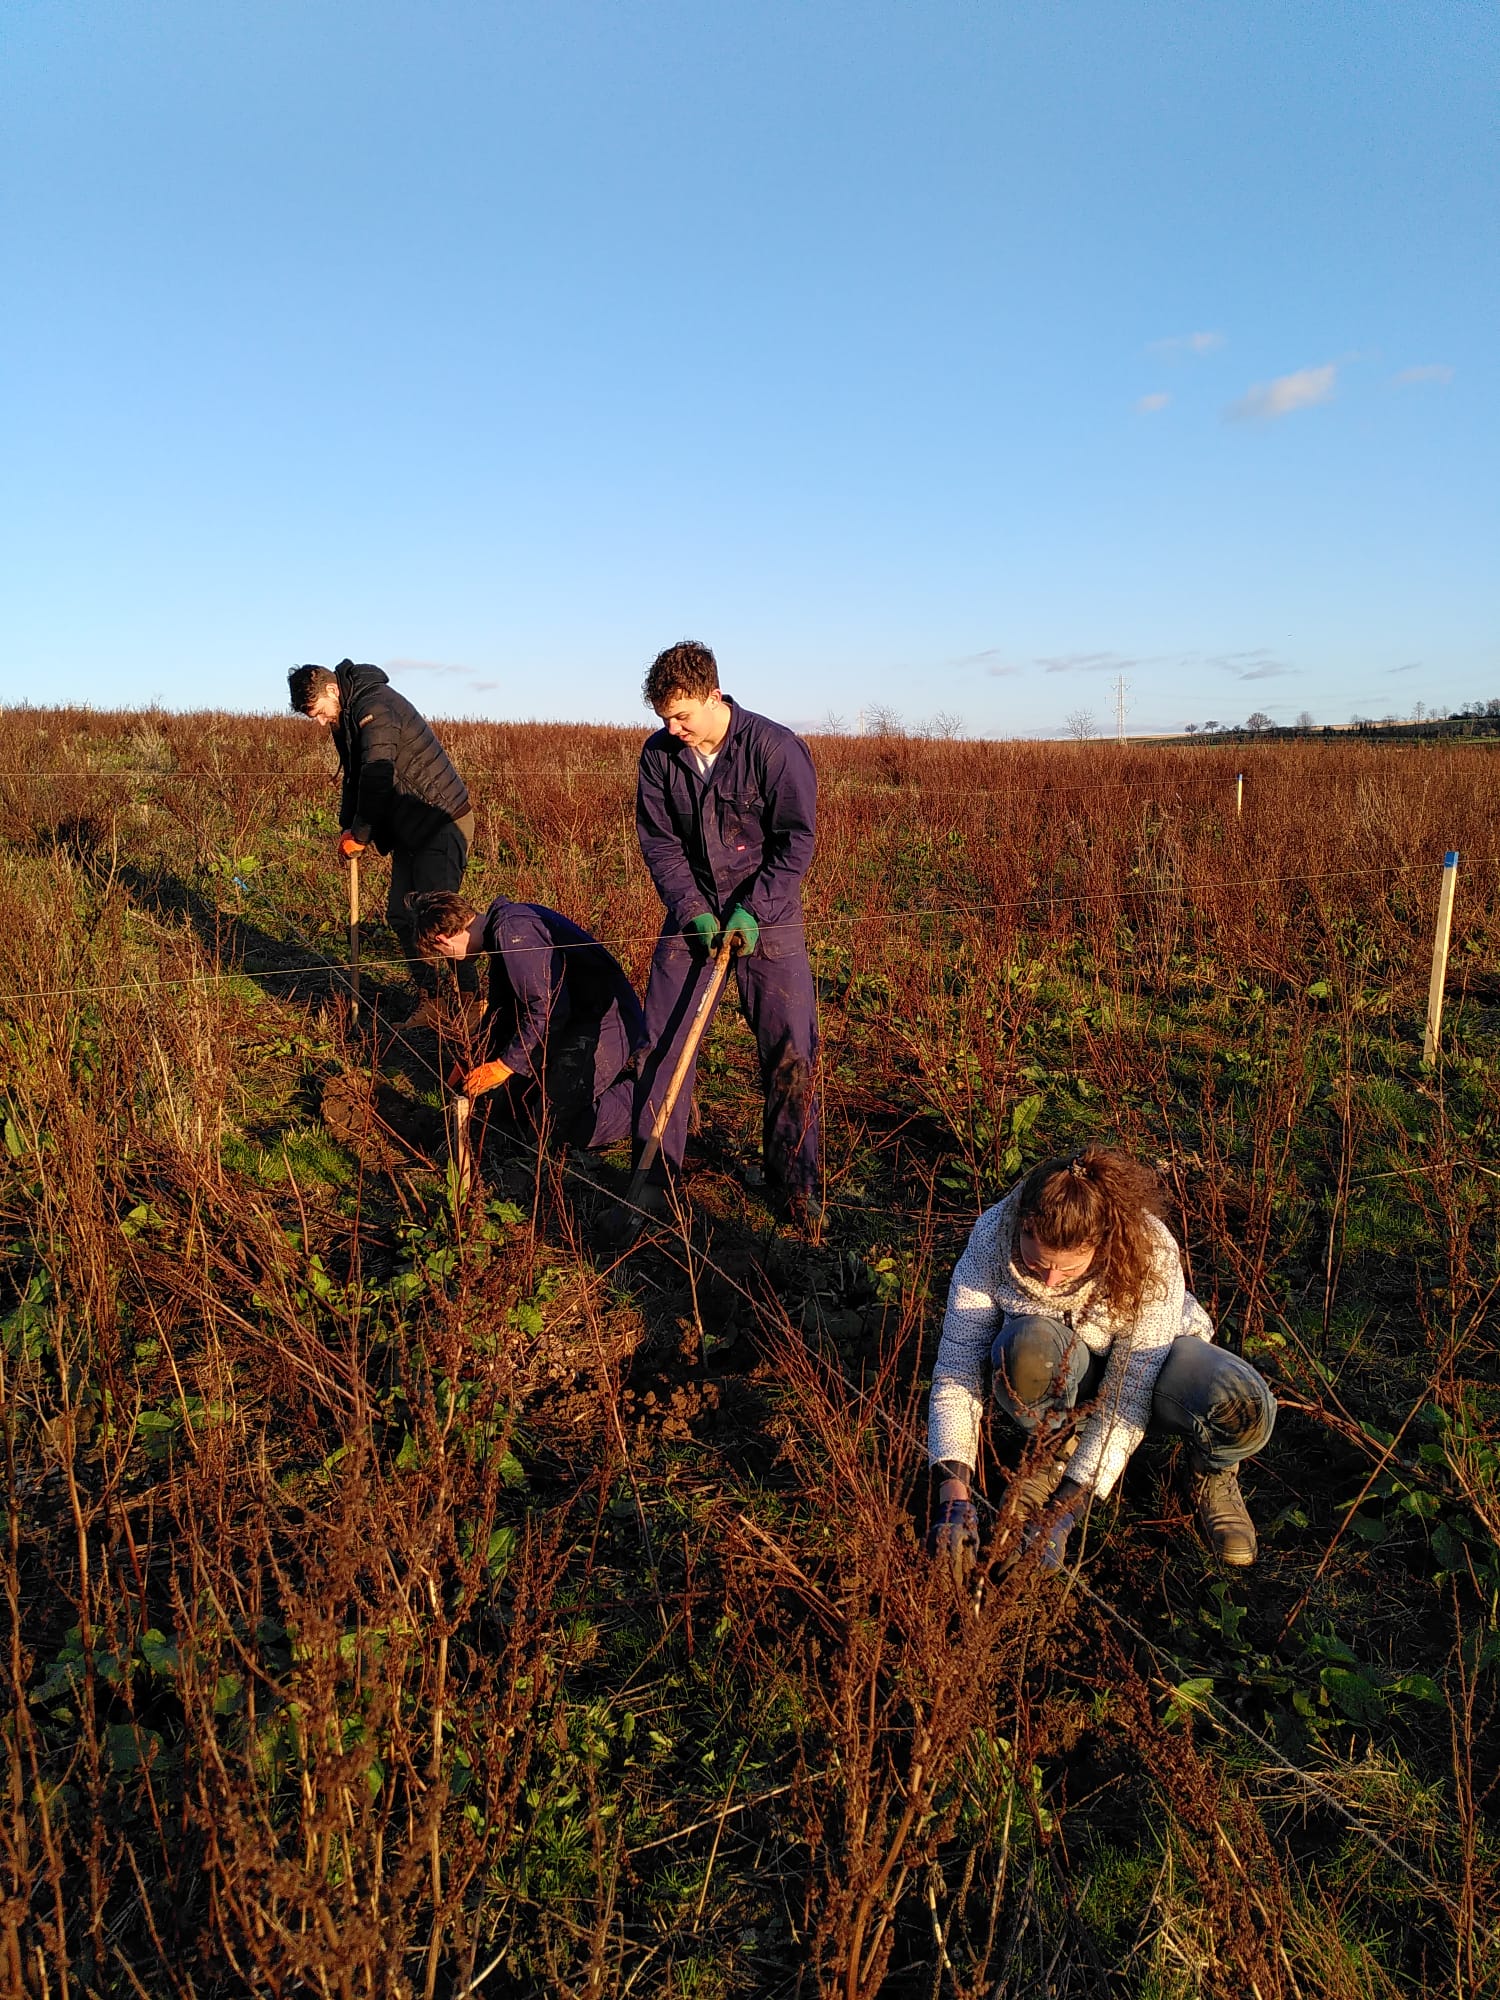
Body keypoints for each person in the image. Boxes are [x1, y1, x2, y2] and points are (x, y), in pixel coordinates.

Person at [926, 1146, 1275, 1577]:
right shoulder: (993, 1237)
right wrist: (952, 1493)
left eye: (1067, 1270)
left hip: (1153, 1369)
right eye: (1036, 1263)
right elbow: (958, 1367)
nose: (1050, 1280)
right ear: (1022, 1224)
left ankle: (1211, 1471)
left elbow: (1127, 1399)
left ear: (1101, 1242)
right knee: (1026, 1349)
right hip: (1059, 1367)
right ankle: (1053, 1446)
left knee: (1239, 1400)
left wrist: (1063, 1512)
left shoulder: (1150, 1253)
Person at [630, 640, 820, 1223]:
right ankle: (654, 1179)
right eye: (664, 717)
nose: (673, 728)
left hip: (769, 916)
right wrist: (693, 910)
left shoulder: (774, 748)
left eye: (682, 715)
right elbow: (661, 845)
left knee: (790, 1049)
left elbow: (796, 842)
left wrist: (754, 910)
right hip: (694, 916)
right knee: (661, 1043)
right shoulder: (659, 756)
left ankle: (795, 1184)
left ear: (714, 695)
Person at [288, 660, 480, 1030]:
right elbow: (354, 777)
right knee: (401, 915)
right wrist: (349, 829)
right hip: (409, 828)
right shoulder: (346, 716)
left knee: (441, 919)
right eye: (314, 717)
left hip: (441, 822)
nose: (320, 722)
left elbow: (377, 775)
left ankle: (473, 1001)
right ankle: (434, 1000)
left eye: (319, 712)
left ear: (332, 690)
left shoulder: (375, 706)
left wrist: (362, 835)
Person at [410, 889, 648, 1151]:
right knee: (515, 1112)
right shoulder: (500, 936)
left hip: (605, 1020)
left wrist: (504, 1065)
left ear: (442, 940)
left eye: (441, 954)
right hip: (572, 1020)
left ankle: (651, 1099)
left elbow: (546, 1008)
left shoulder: (514, 931)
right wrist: (473, 1057)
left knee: (553, 1129)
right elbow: (504, 1013)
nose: (449, 960)